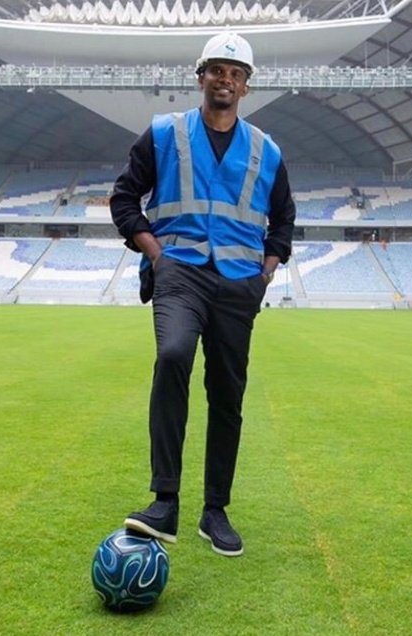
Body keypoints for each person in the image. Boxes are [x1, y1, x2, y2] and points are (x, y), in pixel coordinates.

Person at [109, 32, 295, 557]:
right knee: (172, 357)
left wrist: (265, 273)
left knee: (227, 393)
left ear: (246, 86)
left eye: (235, 73)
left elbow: (283, 220)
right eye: (216, 70)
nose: (225, 80)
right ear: (201, 77)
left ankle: (215, 510)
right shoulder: (164, 134)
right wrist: (156, 253)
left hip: (239, 285)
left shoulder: (267, 150)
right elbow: (124, 198)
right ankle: (164, 500)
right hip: (179, 271)